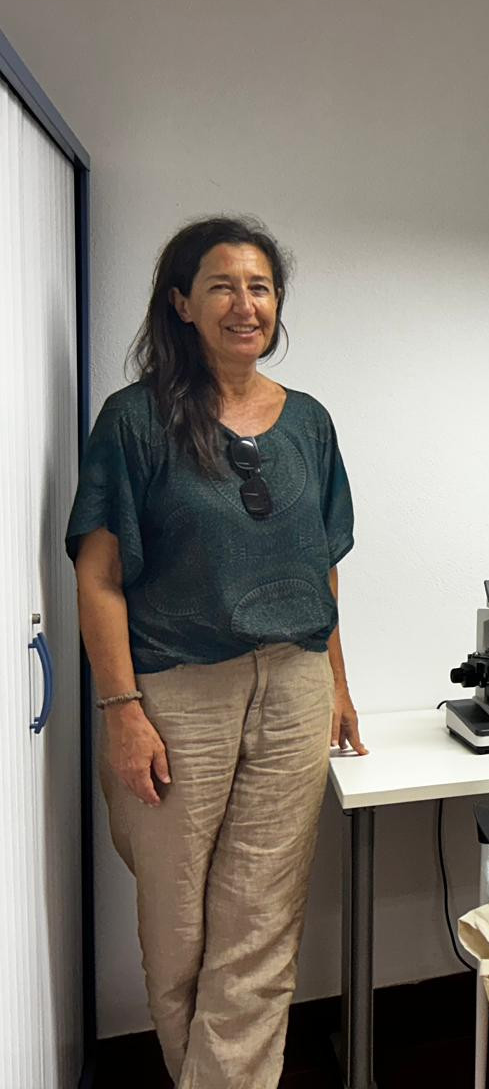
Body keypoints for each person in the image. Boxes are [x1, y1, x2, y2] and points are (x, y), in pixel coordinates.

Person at [67, 216, 364, 1088]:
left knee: (262, 918)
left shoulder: (309, 423)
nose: (246, 304)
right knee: (178, 925)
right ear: (182, 304)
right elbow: (98, 578)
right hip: (175, 695)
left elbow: (322, 566)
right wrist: (122, 714)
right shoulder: (133, 422)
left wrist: (338, 685)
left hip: (295, 685)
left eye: (261, 287)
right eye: (223, 286)